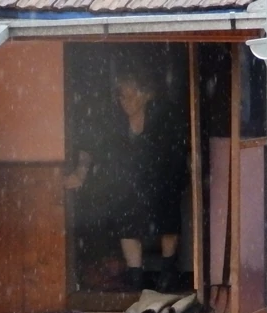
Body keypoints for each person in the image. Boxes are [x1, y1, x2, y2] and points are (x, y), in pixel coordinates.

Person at [65, 68, 188, 292]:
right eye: (122, 96)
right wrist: (81, 172)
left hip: (163, 180)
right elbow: (91, 145)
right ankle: (135, 279)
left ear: (146, 94)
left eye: (130, 95)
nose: (125, 101)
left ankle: (168, 274)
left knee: (167, 218)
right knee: (128, 221)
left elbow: (178, 150)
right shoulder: (113, 119)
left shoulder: (164, 114)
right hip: (126, 183)